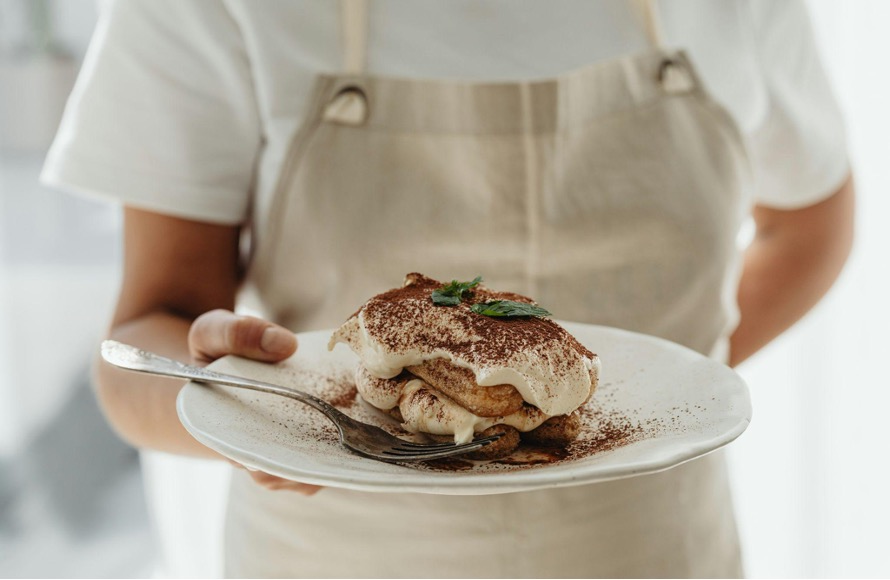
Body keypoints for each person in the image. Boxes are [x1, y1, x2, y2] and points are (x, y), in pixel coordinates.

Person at [43, 0, 854, 576]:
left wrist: (664, 394)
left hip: (654, 552)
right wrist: (240, 408)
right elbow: (140, 342)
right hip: (335, 555)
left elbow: (810, 228)